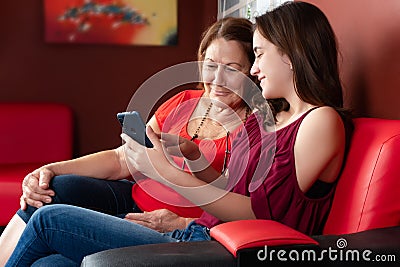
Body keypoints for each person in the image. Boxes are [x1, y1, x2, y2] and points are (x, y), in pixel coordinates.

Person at [5, 2, 354, 266]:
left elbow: (264, 217)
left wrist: (165, 171)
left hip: (217, 248)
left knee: (50, 220)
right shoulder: (268, 119)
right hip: (200, 234)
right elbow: (229, 188)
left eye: (258, 56)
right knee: (49, 261)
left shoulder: (320, 121)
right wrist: (192, 155)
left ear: (291, 57)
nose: (256, 68)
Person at [0, 16, 257, 265]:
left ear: (253, 72)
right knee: (55, 186)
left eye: (232, 69)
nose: (217, 80)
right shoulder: (184, 100)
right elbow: (122, 158)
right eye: (211, 65)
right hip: (132, 198)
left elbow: (237, 209)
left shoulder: (255, 130)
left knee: (49, 263)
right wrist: (49, 168)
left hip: (174, 225)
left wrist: (182, 223)